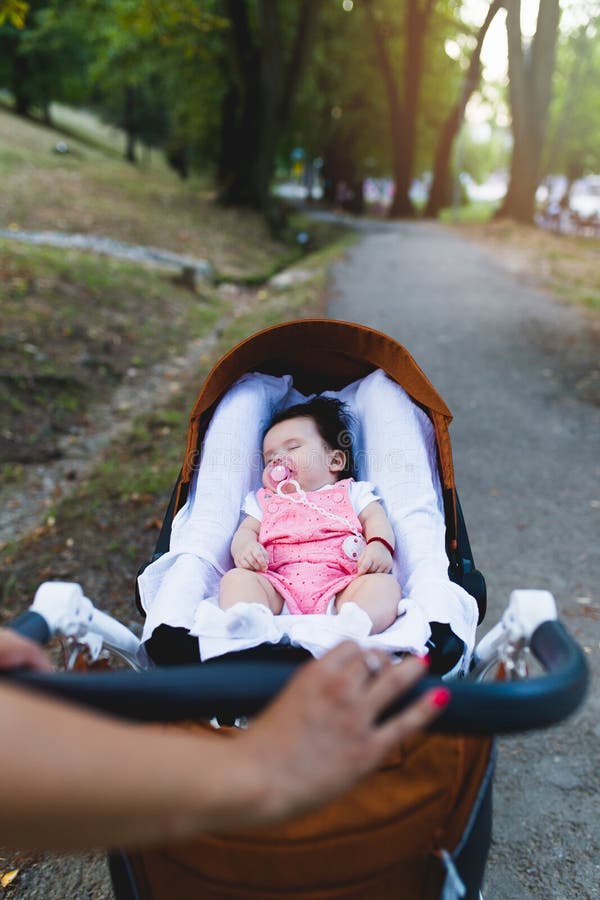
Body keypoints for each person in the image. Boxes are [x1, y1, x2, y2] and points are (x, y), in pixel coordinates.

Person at [0, 627, 448, 850]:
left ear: (335, 460)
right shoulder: (263, 505)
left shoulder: (349, 496)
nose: (281, 463)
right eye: (272, 454)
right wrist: (261, 768)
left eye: (293, 446)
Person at [219, 398, 400, 635]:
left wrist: (379, 546)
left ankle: (358, 622)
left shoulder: (352, 492)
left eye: (293, 448)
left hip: (342, 588)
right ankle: (251, 617)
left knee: (383, 584)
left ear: (334, 461)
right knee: (236, 579)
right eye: (269, 458)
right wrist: (244, 549)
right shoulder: (264, 500)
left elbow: (375, 518)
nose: (277, 460)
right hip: (277, 587)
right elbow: (245, 532)